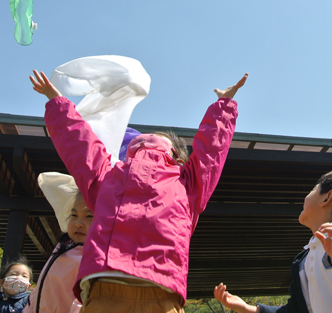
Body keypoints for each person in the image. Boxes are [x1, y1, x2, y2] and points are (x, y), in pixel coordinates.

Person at [30, 69, 247, 313]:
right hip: (162, 290)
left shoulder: (108, 176)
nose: (149, 140)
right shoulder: (188, 184)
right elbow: (211, 151)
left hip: (105, 285)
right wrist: (223, 106)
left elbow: (81, 147)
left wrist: (57, 102)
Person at [213, 167, 332, 313]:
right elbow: (294, 310)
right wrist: (250, 309)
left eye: (313, 189)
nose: (306, 195)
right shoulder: (303, 259)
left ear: (327, 197)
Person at [25, 173, 94, 313]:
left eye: (89, 216)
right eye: (74, 215)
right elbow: (41, 288)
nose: (78, 223)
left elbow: (87, 299)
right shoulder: (64, 247)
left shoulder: (94, 257)